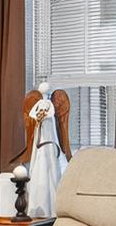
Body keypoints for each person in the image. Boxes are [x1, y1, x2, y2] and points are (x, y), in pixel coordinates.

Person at [11, 83, 71, 217]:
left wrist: (42, 114)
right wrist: (40, 115)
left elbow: (48, 116)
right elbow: (34, 116)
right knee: (40, 170)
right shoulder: (42, 105)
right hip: (41, 142)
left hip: (49, 140)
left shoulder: (49, 105)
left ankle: (52, 208)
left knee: (51, 170)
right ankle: (39, 208)